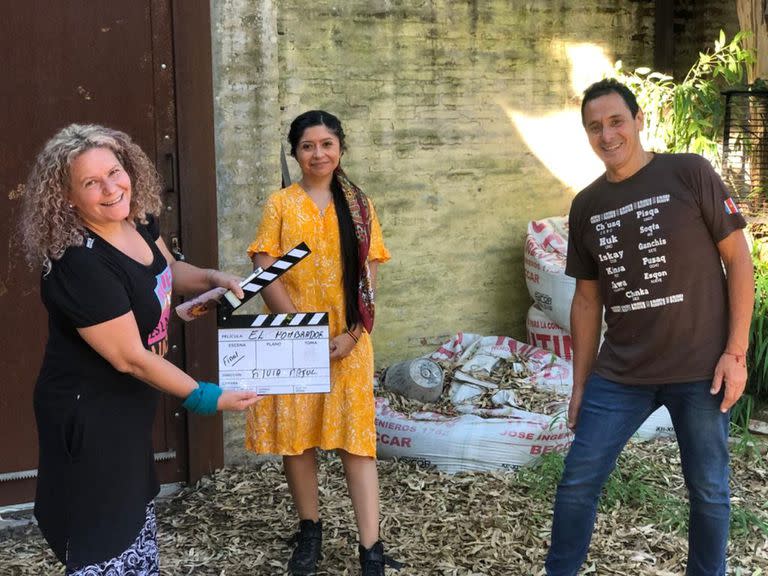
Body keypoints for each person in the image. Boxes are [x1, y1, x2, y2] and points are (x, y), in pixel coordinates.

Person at [19, 124, 262, 575]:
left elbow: (166, 270)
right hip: (87, 413)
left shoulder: (135, 217)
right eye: (92, 183)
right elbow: (129, 356)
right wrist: (208, 397)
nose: (112, 188)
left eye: (114, 171)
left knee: (132, 510)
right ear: (68, 197)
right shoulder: (78, 263)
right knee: (101, 529)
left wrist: (211, 279)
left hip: (127, 403)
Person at [545, 79, 755, 576]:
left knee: (708, 489)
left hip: (700, 369)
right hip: (621, 373)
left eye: (616, 121)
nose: (607, 134)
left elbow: (739, 260)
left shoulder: (689, 172)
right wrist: (579, 384)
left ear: (638, 120)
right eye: (595, 127)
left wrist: (736, 353)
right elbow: (588, 299)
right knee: (577, 480)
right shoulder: (587, 206)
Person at [245, 110, 392, 575]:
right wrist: (300, 329)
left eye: (327, 143)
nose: (318, 153)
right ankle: (310, 530)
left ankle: (372, 549)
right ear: (295, 153)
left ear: (341, 148)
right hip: (294, 338)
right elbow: (265, 267)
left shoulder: (359, 205)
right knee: (298, 439)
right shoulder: (281, 204)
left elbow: (369, 278)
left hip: (349, 342)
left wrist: (352, 334)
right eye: (308, 145)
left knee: (357, 444)